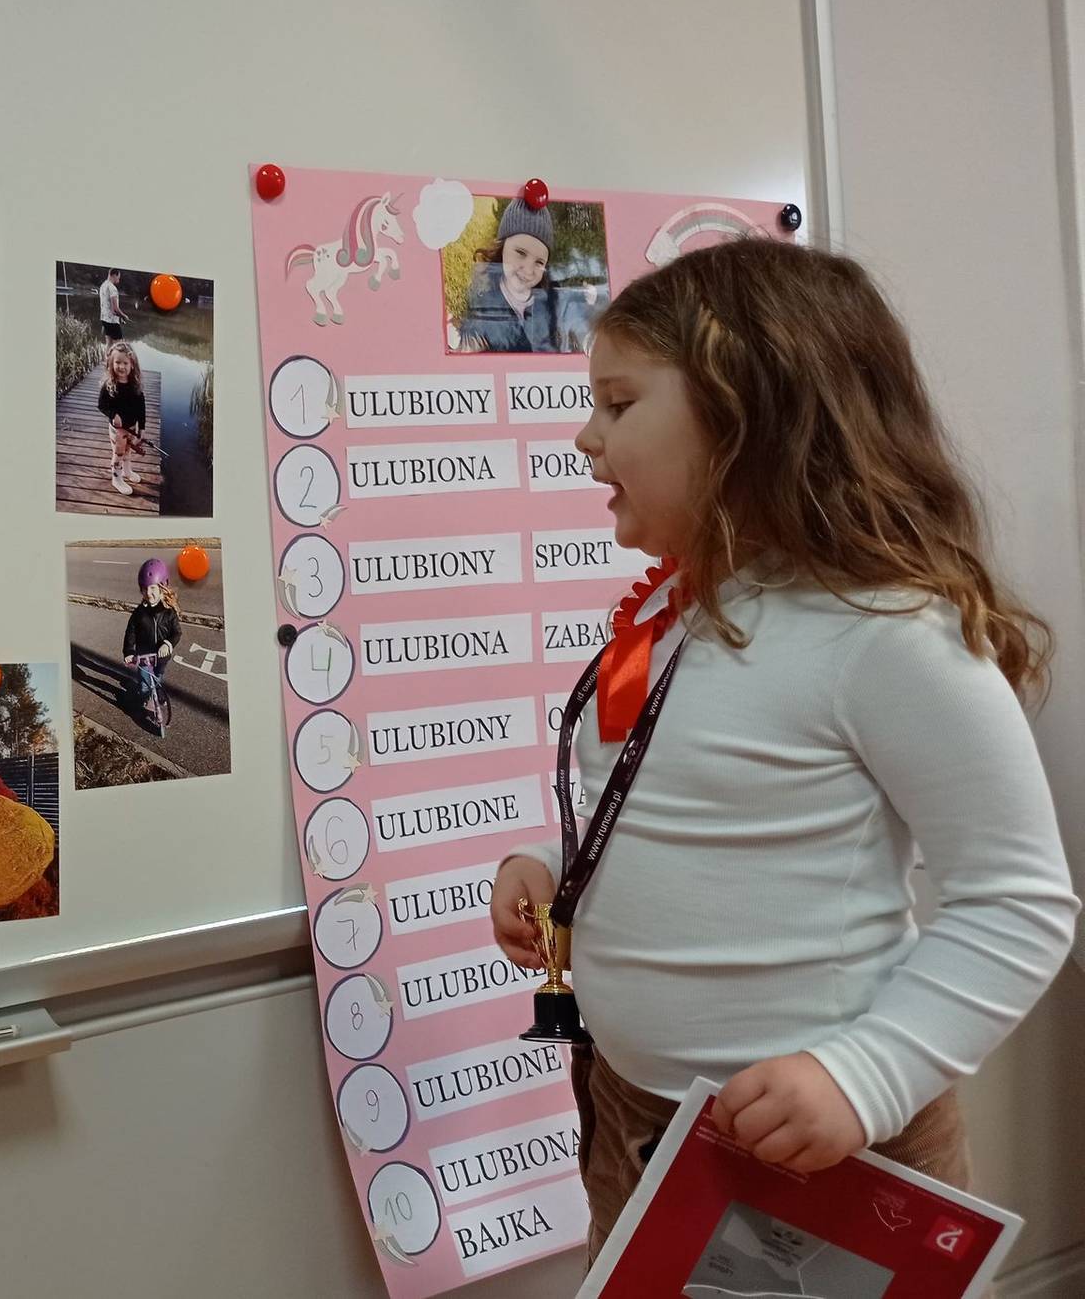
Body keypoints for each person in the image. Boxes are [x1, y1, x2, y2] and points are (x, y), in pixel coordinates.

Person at [486, 239, 1079, 1268]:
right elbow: (666, 801)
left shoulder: (887, 631)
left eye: (618, 404)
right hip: (638, 1119)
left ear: (747, 417)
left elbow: (1018, 902)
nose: (586, 437)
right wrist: (557, 866)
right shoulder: (676, 614)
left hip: (829, 1150)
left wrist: (865, 1074)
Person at [458, 198, 558, 353]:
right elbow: (469, 347)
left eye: (539, 262)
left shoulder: (547, 303)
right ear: (502, 247)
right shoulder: (485, 305)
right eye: (521, 253)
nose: (528, 270)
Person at [122, 557, 181, 713]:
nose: (148, 593)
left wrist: (168, 643)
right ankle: (144, 699)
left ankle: (156, 691)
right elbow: (130, 632)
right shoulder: (139, 613)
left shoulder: (169, 611)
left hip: (162, 656)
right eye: (144, 589)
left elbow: (177, 632)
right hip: (144, 656)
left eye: (153, 588)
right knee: (144, 682)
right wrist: (129, 651)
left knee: (158, 675)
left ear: (163, 586)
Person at [95, 340, 147, 498]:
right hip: (117, 430)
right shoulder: (109, 385)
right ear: (111, 363)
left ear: (132, 364)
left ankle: (127, 471)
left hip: (131, 428)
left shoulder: (135, 385)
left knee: (128, 450)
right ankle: (116, 479)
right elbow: (101, 405)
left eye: (125, 363)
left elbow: (141, 409)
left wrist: (141, 428)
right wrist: (113, 415)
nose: (121, 366)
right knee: (118, 453)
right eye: (117, 362)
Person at [97, 266, 125, 341]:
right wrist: (124, 316)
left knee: (109, 343)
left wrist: (121, 316)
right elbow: (115, 309)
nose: (119, 280)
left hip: (104, 319)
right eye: (118, 277)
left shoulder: (103, 286)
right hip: (112, 321)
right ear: (114, 275)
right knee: (119, 344)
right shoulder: (112, 288)